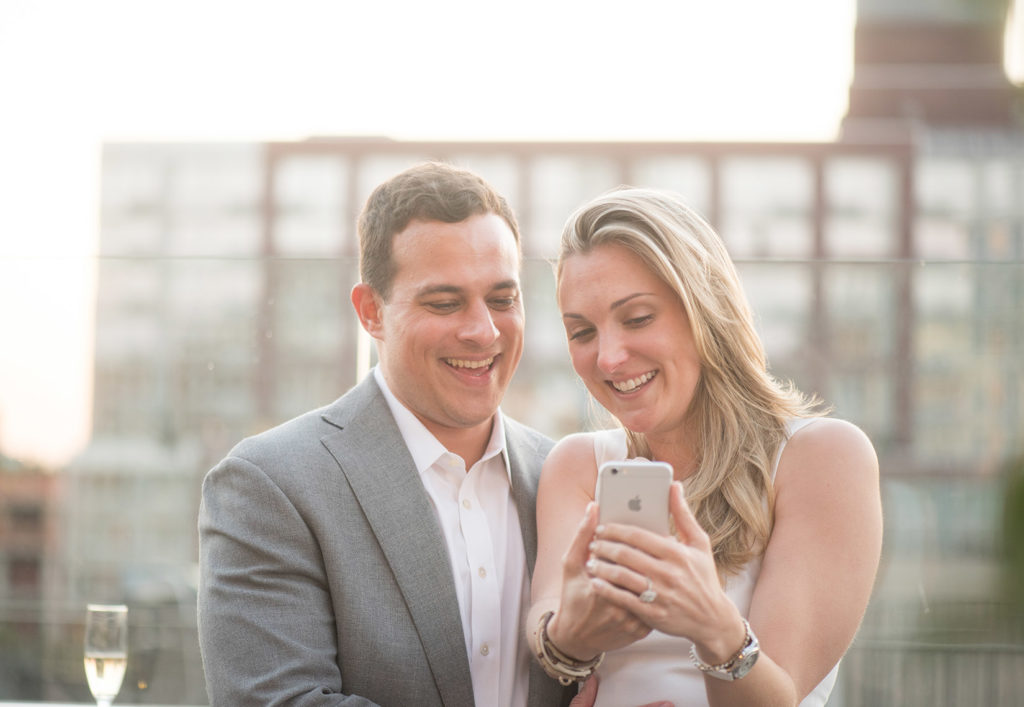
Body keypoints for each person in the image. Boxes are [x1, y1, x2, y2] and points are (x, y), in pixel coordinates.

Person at [198, 162, 573, 706]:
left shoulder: (565, 478)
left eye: (502, 299)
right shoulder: (269, 486)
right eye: (445, 303)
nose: (483, 330)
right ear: (371, 312)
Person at [527, 187, 883, 706]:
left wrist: (711, 624)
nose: (607, 358)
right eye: (582, 332)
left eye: (637, 318)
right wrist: (568, 636)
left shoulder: (821, 458)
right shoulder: (579, 465)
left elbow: (779, 695)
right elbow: (545, 617)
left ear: (706, 308)